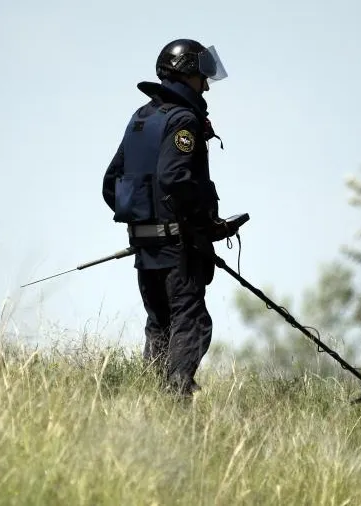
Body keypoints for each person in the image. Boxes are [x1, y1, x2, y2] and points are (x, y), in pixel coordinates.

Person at [101, 38, 232, 400]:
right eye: (201, 77)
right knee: (191, 323)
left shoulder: (141, 119)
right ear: (186, 74)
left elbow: (111, 185)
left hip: (146, 247)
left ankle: (152, 401)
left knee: (159, 325)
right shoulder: (183, 120)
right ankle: (176, 402)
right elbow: (175, 179)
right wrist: (203, 222)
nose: (206, 85)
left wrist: (144, 225)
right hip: (177, 248)